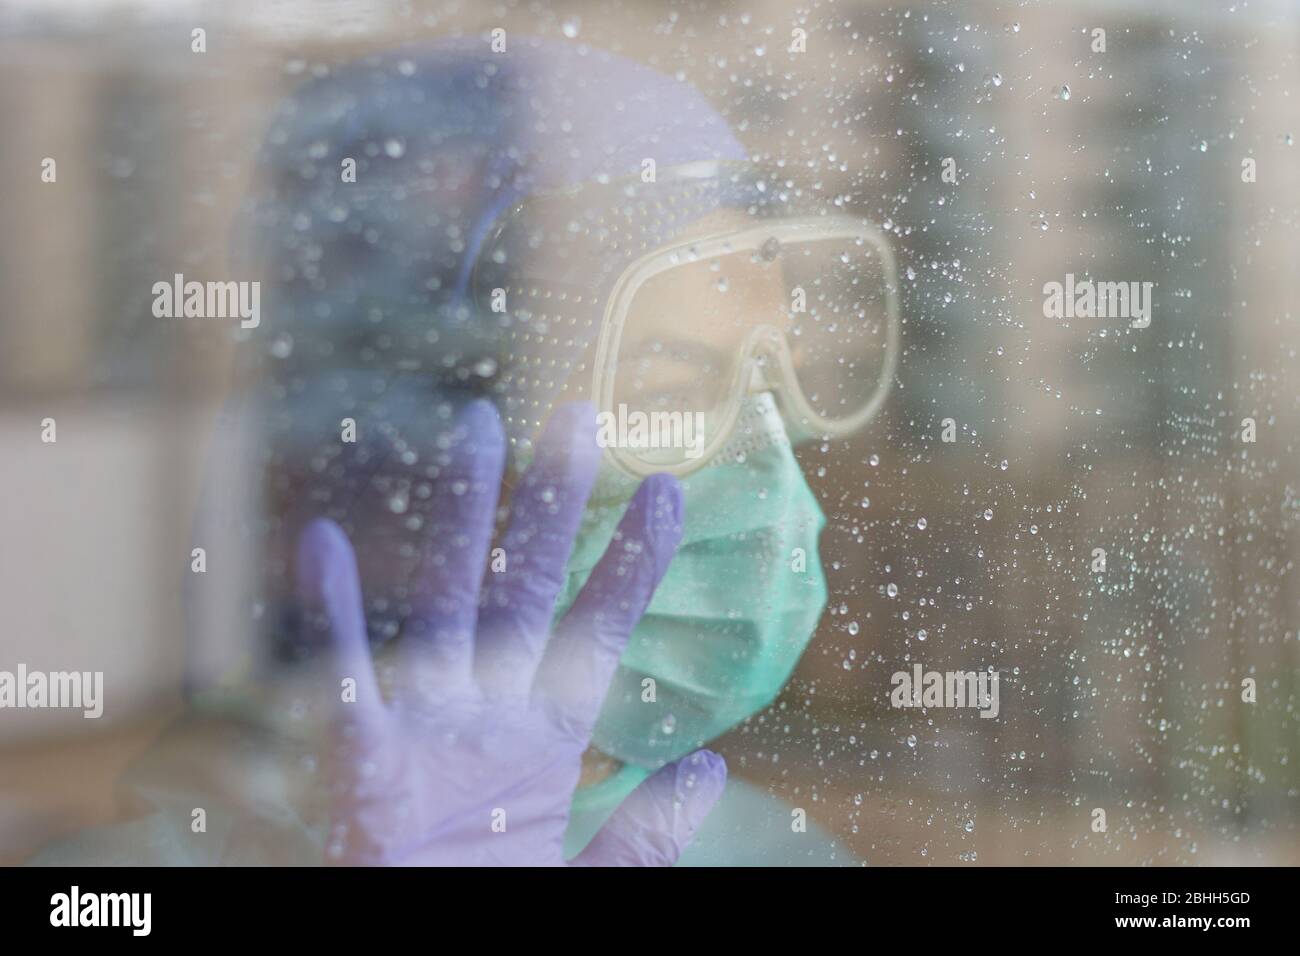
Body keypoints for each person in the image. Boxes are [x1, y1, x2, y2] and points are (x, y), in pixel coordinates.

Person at [28, 35, 897, 866]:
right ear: (424, 453)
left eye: (767, 389)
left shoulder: (761, 850)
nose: (766, 478)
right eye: (668, 393)